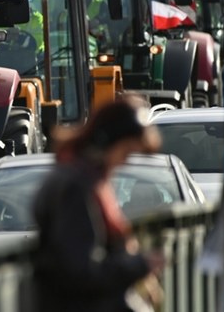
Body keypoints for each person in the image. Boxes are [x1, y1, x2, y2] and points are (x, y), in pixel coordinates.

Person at [32, 95, 166, 311]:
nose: (125, 161)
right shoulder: (78, 187)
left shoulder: (78, 177)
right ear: (107, 142)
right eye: (126, 151)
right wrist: (140, 264)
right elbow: (80, 270)